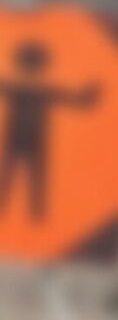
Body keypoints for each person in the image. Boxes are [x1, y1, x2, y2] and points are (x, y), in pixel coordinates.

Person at [0, 41, 98, 221]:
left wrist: (92, 90)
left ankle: (37, 214)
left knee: (33, 177)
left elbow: (79, 100)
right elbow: (79, 99)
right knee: (13, 175)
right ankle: (33, 213)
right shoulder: (22, 86)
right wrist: (90, 92)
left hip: (32, 137)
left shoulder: (37, 88)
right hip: (20, 136)